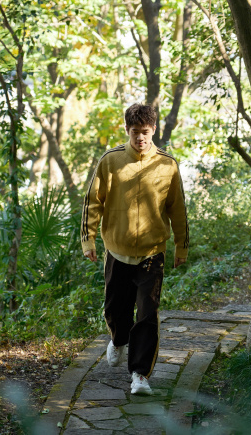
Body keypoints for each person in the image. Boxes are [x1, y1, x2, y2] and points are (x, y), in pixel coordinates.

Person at [81, 103, 189, 395]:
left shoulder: (167, 165)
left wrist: (181, 246)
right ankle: (118, 340)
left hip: (152, 252)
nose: (140, 137)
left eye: (145, 131)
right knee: (116, 309)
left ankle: (140, 375)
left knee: (147, 314)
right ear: (126, 130)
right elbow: (93, 201)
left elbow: (178, 208)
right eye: (134, 132)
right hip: (116, 250)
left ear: (153, 129)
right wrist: (88, 239)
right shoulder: (110, 161)